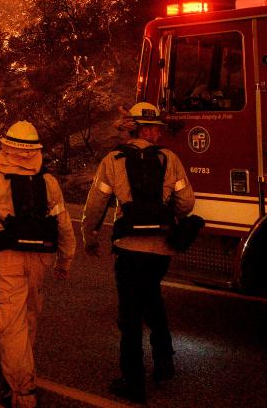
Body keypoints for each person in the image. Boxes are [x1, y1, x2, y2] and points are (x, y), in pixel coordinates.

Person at [80, 102, 196, 405]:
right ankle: (164, 362)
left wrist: (89, 235)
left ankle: (133, 382)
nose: (158, 133)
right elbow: (186, 203)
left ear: (130, 128)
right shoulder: (169, 160)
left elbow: (95, 205)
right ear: (149, 130)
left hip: (129, 249)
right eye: (156, 128)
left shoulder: (113, 160)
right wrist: (166, 211)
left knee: (130, 314)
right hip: (160, 249)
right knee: (153, 299)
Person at [0, 121, 76, 408]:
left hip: (7, 256)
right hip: (41, 258)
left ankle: (22, 392)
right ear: (36, 150)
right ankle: (21, 369)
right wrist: (65, 259)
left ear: (6, 147)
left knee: (10, 322)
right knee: (29, 315)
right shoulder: (48, 182)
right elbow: (64, 225)